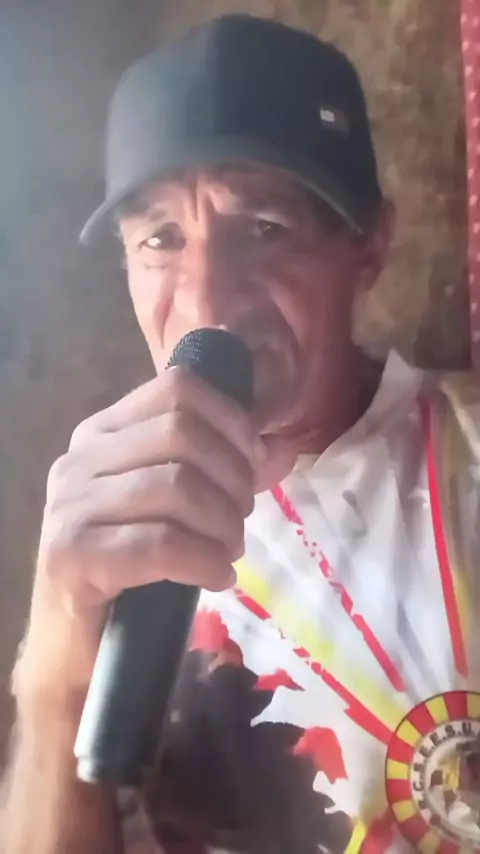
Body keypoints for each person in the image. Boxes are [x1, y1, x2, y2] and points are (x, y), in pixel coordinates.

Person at [2, 13, 480, 854]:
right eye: (161, 239)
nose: (208, 301)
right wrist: (56, 654)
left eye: (263, 229)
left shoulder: (466, 451)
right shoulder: (111, 522)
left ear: (369, 245)